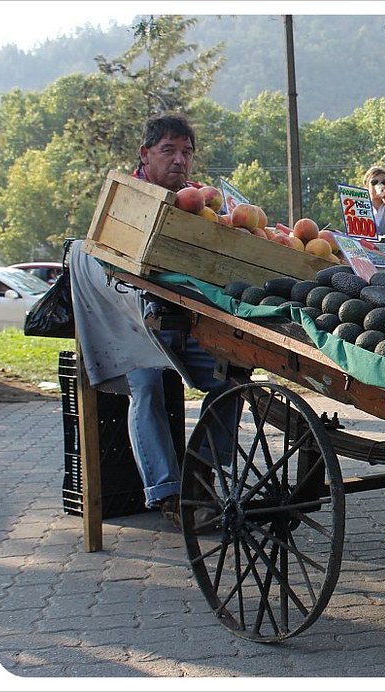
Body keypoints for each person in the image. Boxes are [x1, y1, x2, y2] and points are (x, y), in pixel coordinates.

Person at [127, 113, 237, 530]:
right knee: (148, 387)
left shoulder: (198, 204)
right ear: (145, 154)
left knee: (229, 381)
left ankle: (201, 476)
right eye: (168, 150)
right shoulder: (129, 198)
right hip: (134, 326)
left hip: (186, 321)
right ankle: (168, 493)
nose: (179, 160)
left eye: (186, 153)